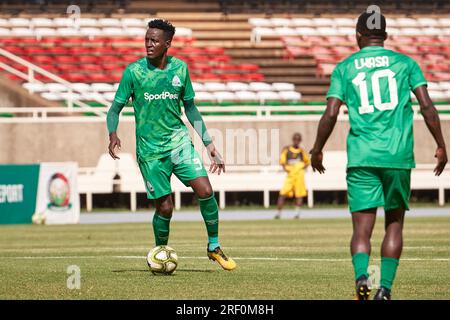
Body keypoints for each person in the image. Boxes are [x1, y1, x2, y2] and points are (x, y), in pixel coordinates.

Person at [310, 11, 447, 300]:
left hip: (362, 156)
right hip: (397, 156)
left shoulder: (344, 68)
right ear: (384, 35)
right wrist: (441, 144)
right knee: (394, 224)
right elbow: (427, 107)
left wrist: (318, 148)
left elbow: (331, 112)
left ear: (358, 35)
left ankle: (363, 278)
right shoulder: (406, 64)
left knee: (362, 230)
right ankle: (383, 289)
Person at [106, 19, 236, 271]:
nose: (149, 44)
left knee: (206, 191)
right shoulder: (134, 72)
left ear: (167, 43)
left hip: (179, 144)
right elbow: (114, 109)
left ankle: (214, 246)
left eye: (154, 40)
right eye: (146, 39)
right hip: (151, 152)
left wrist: (209, 144)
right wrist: (113, 133)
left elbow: (191, 109)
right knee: (165, 207)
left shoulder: (180, 69)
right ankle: (161, 250)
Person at [275, 132, 310, 219]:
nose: (296, 141)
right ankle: (278, 213)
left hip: (299, 176)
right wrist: (286, 168)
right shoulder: (287, 150)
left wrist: (301, 168)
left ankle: (297, 213)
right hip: (290, 176)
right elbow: (282, 162)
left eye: (298, 140)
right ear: (293, 140)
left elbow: (308, 162)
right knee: (282, 193)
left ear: (300, 141)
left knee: (299, 195)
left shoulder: (302, 151)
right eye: (295, 139)